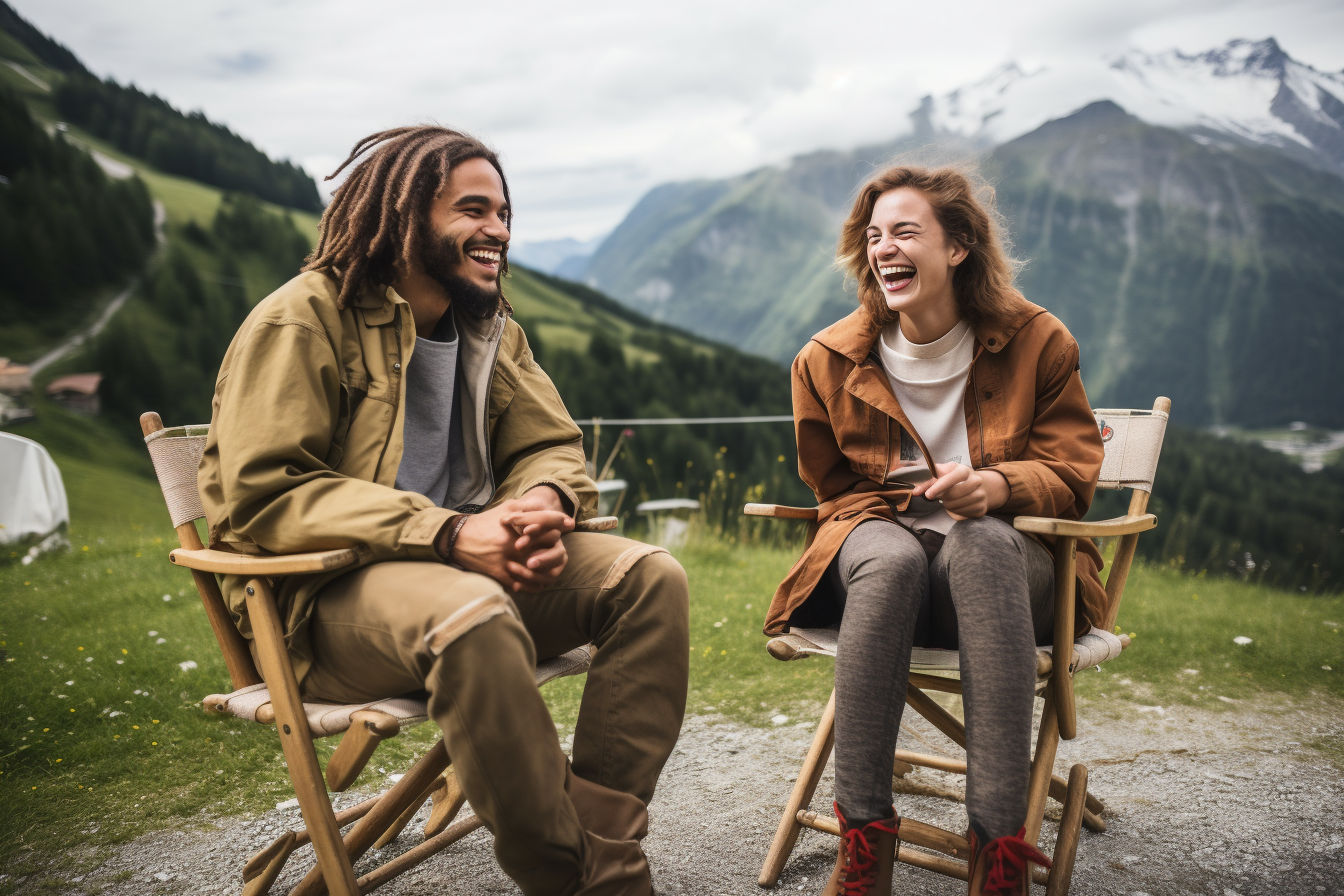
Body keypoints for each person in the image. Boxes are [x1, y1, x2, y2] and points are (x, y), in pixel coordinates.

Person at [198, 126, 689, 896]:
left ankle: (600, 848)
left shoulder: (489, 330)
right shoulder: (302, 319)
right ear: (401, 218)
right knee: (472, 612)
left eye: (504, 212)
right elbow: (265, 490)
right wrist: (452, 533)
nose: (497, 229)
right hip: (322, 606)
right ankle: (580, 881)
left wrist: (536, 504)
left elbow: (552, 443)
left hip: (464, 572)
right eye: (473, 209)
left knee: (649, 577)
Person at [764, 165, 1105, 896]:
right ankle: (864, 844)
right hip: (889, 571)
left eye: (906, 232)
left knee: (980, 544)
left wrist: (999, 486)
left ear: (956, 248)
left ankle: (999, 852)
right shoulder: (825, 359)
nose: (885, 247)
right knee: (888, 559)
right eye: (875, 235)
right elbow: (835, 490)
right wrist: (892, 522)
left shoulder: (1038, 340)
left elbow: (1074, 474)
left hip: (1009, 576)